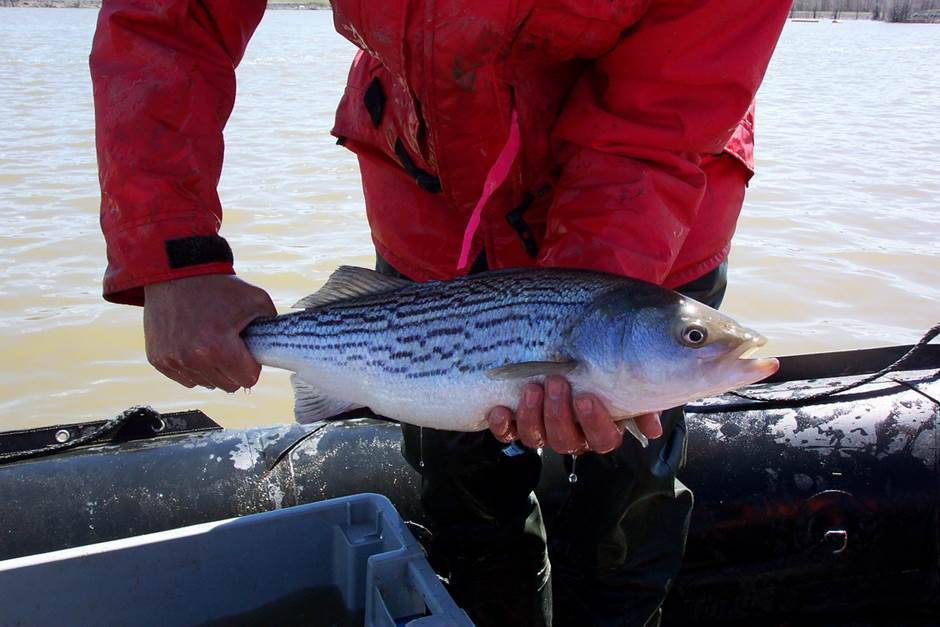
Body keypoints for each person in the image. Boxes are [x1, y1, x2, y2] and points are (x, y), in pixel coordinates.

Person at [90, 1, 790, 624]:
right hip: (433, 209)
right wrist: (172, 252)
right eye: (696, 339)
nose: (712, 348)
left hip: (653, 221)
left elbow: (661, 111)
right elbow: (170, 18)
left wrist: (595, 292)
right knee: (465, 496)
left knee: (630, 500)